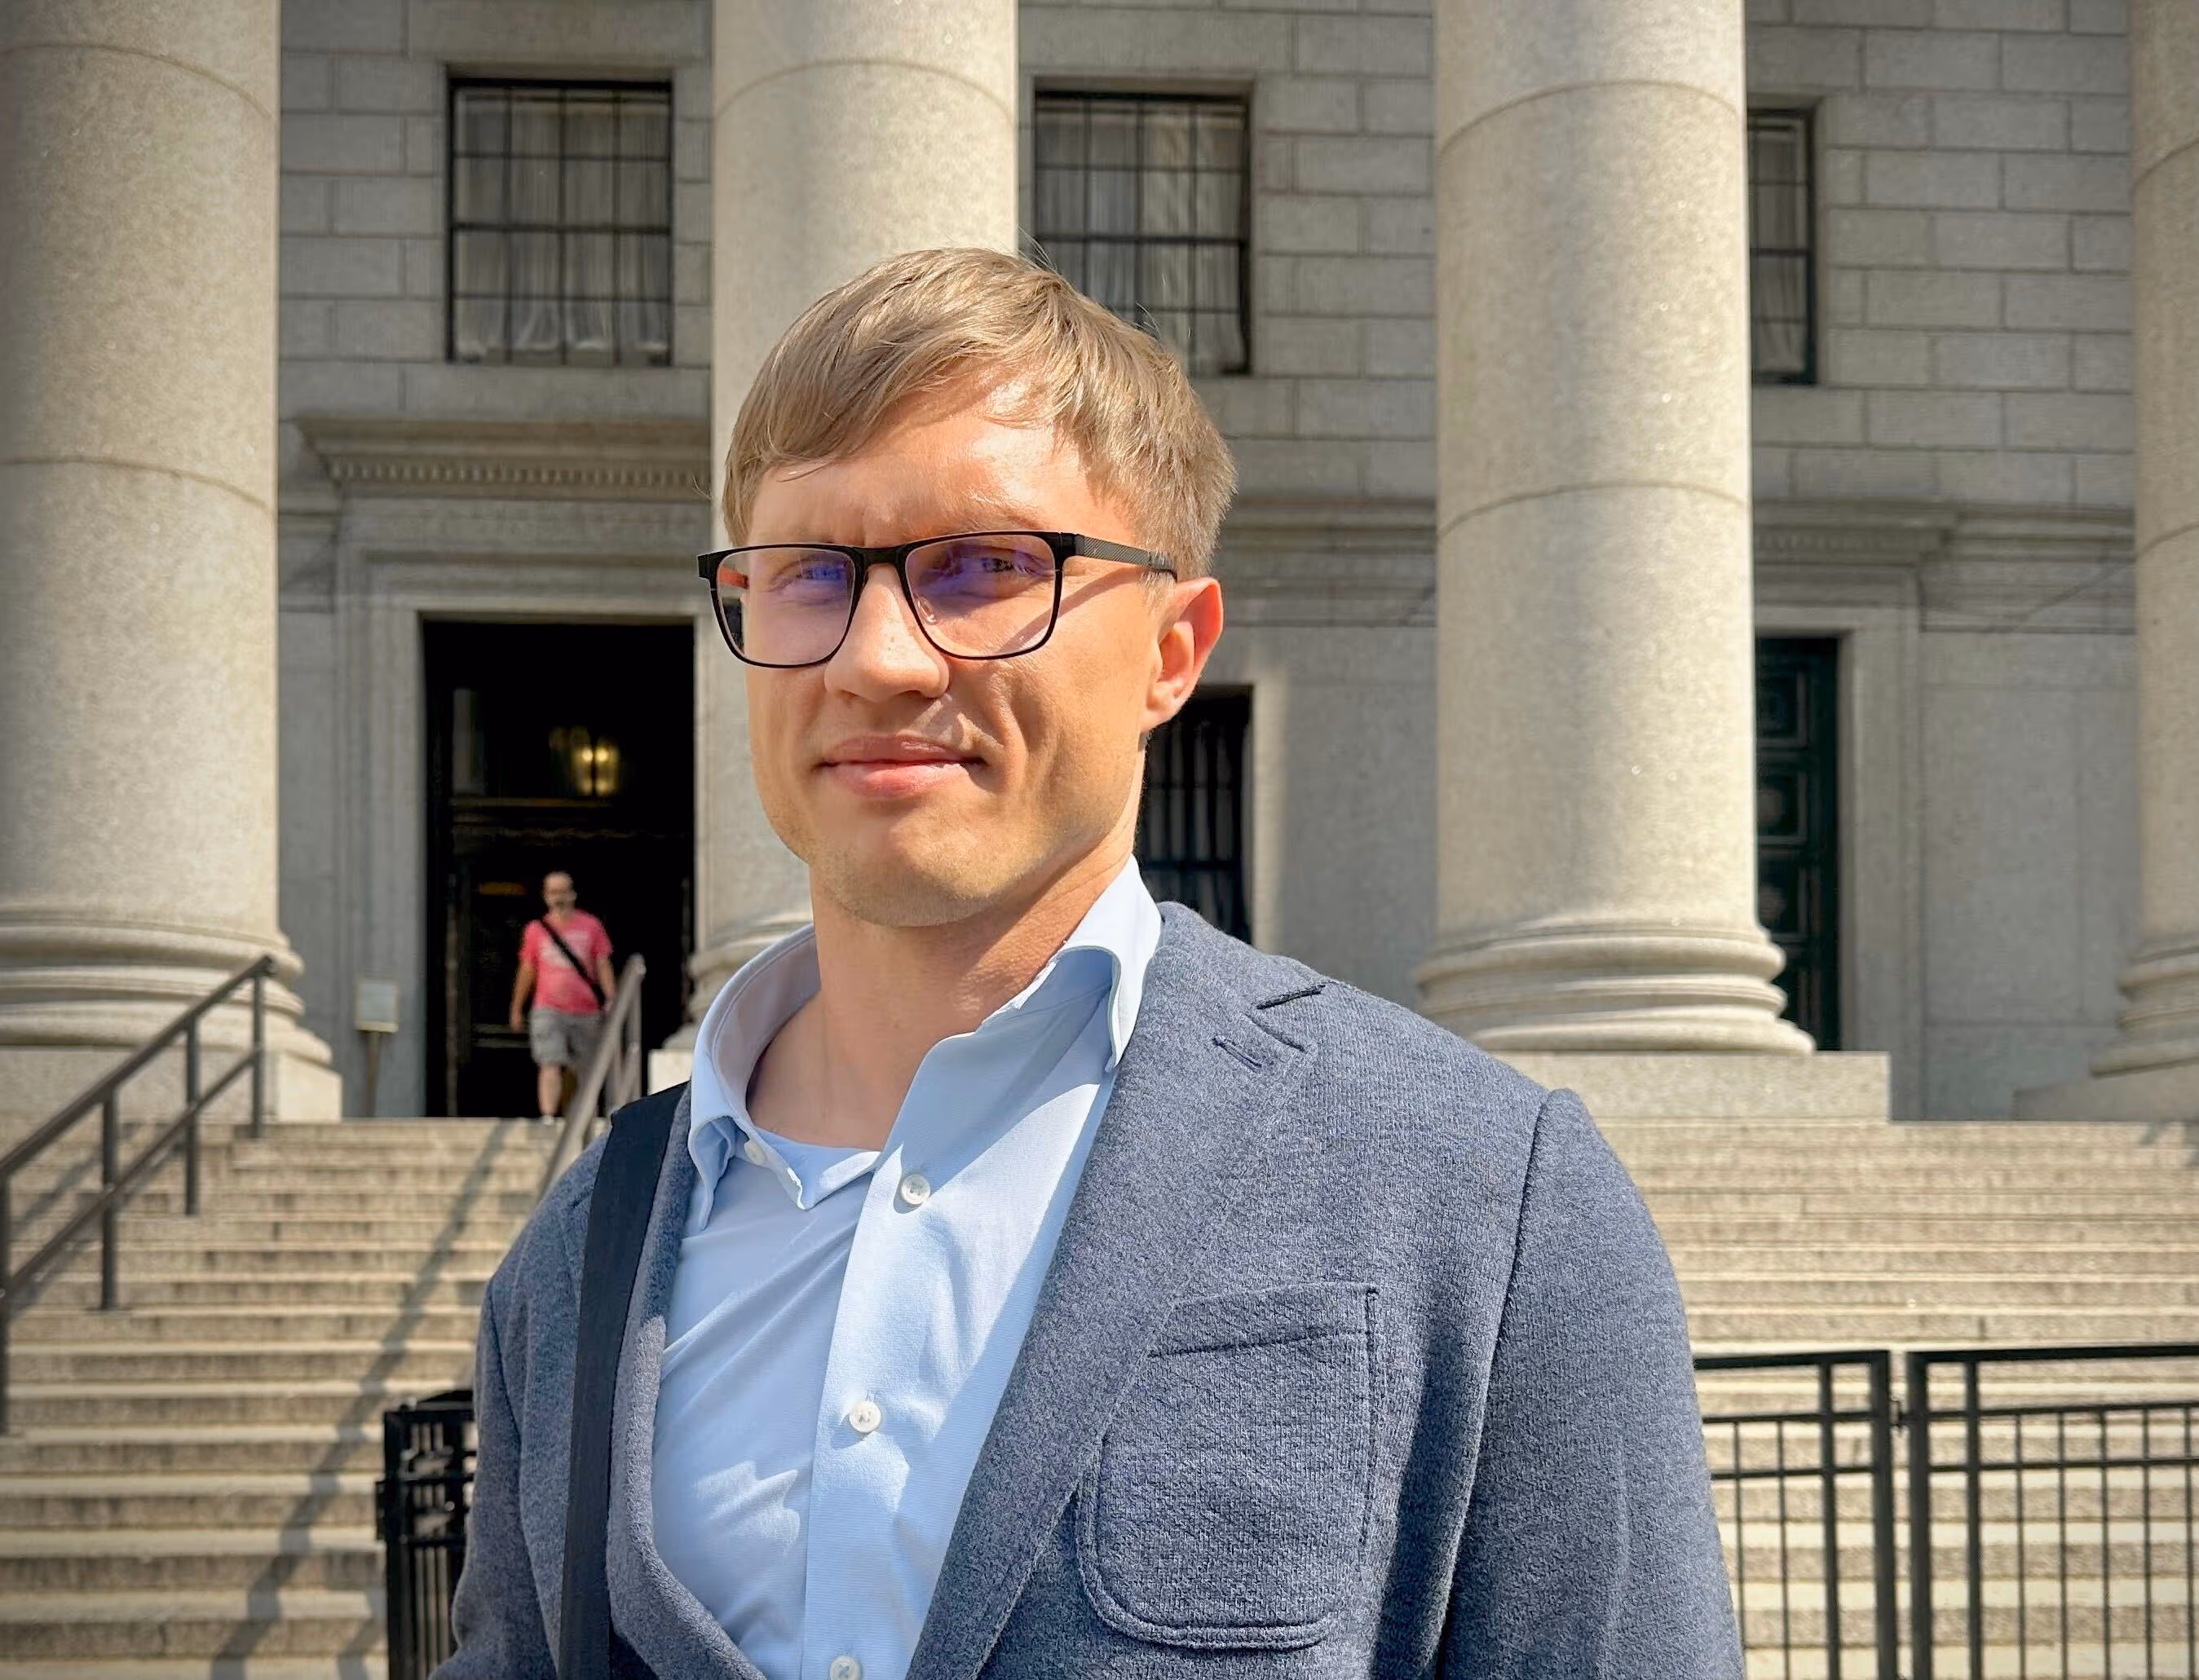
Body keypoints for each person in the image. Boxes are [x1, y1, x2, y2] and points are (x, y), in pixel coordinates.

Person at [444, 249, 1740, 1678]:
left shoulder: (1489, 1199)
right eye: (806, 574)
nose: (875, 658)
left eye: (986, 567)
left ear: (1171, 652)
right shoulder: (577, 1259)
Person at [506, 871, 615, 1119]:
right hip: (548, 1008)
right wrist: (516, 1007)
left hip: (586, 1010)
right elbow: (527, 970)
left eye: (563, 891)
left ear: (573, 894)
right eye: (553, 892)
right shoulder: (536, 930)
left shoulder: (591, 926)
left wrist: (611, 998)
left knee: (588, 1068)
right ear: (545, 897)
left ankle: (588, 1117)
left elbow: (602, 964)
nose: (559, 897)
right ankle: (548, 1118)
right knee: (550, 1062)